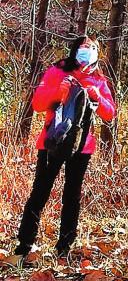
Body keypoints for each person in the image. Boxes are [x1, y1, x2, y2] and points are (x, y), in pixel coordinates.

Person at [14, 35, 116, 261]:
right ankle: (24, 247)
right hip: (52, 141)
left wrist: (97, 96)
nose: (87, 50)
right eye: (83, 46)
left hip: (82, 146)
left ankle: (64, 248)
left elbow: (110, 113)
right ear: (75, 49)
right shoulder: (57, 71)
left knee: (72, 196)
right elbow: (38, 104)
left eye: (92, 47)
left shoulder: (98, 79)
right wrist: (58, 92)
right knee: (40, 192)